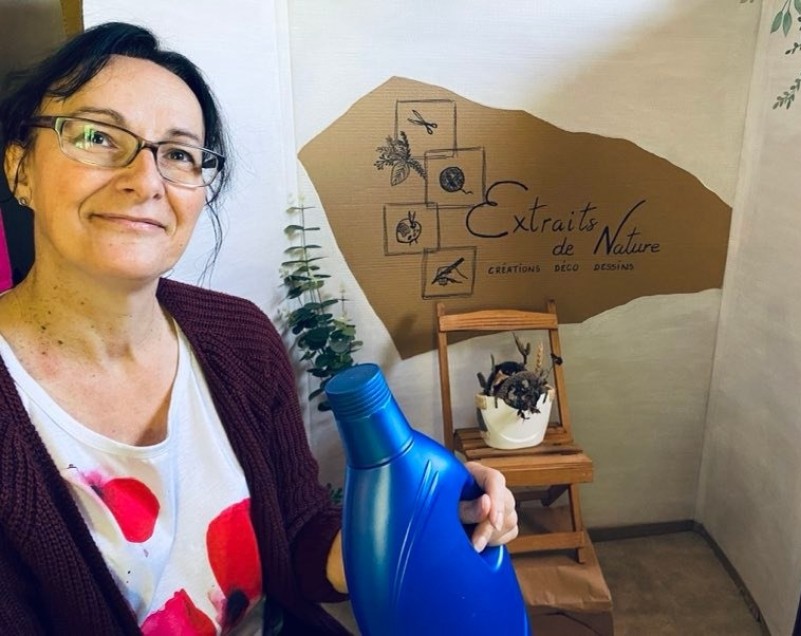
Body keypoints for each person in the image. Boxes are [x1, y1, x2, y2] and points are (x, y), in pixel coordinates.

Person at [0, 22, 518, 634]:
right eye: (97, 136)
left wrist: (416, 526)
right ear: (20, 169)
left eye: (178, 153)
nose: (145, 179)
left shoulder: (239, 339)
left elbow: (297, 539)